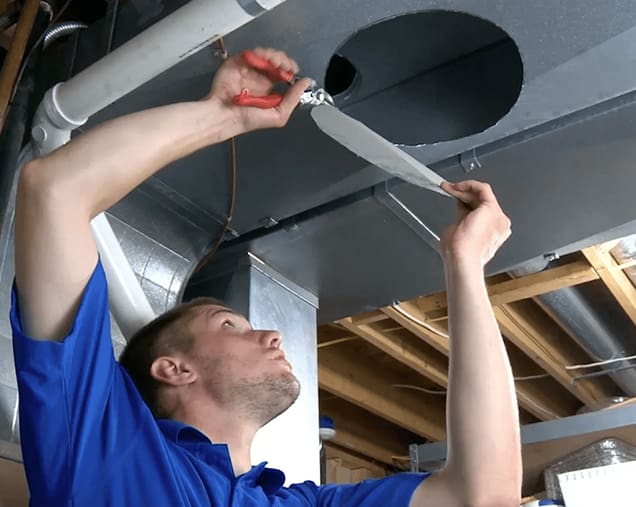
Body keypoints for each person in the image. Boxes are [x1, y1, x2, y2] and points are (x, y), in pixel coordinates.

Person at [11, 47, 521, 506]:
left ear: (175, 368)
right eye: (235, 325)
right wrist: (219, 118)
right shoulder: (103, 446)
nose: (272, 333)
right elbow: (490, 494)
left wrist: (463, 263)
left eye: (229, 323)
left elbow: (478, 493)